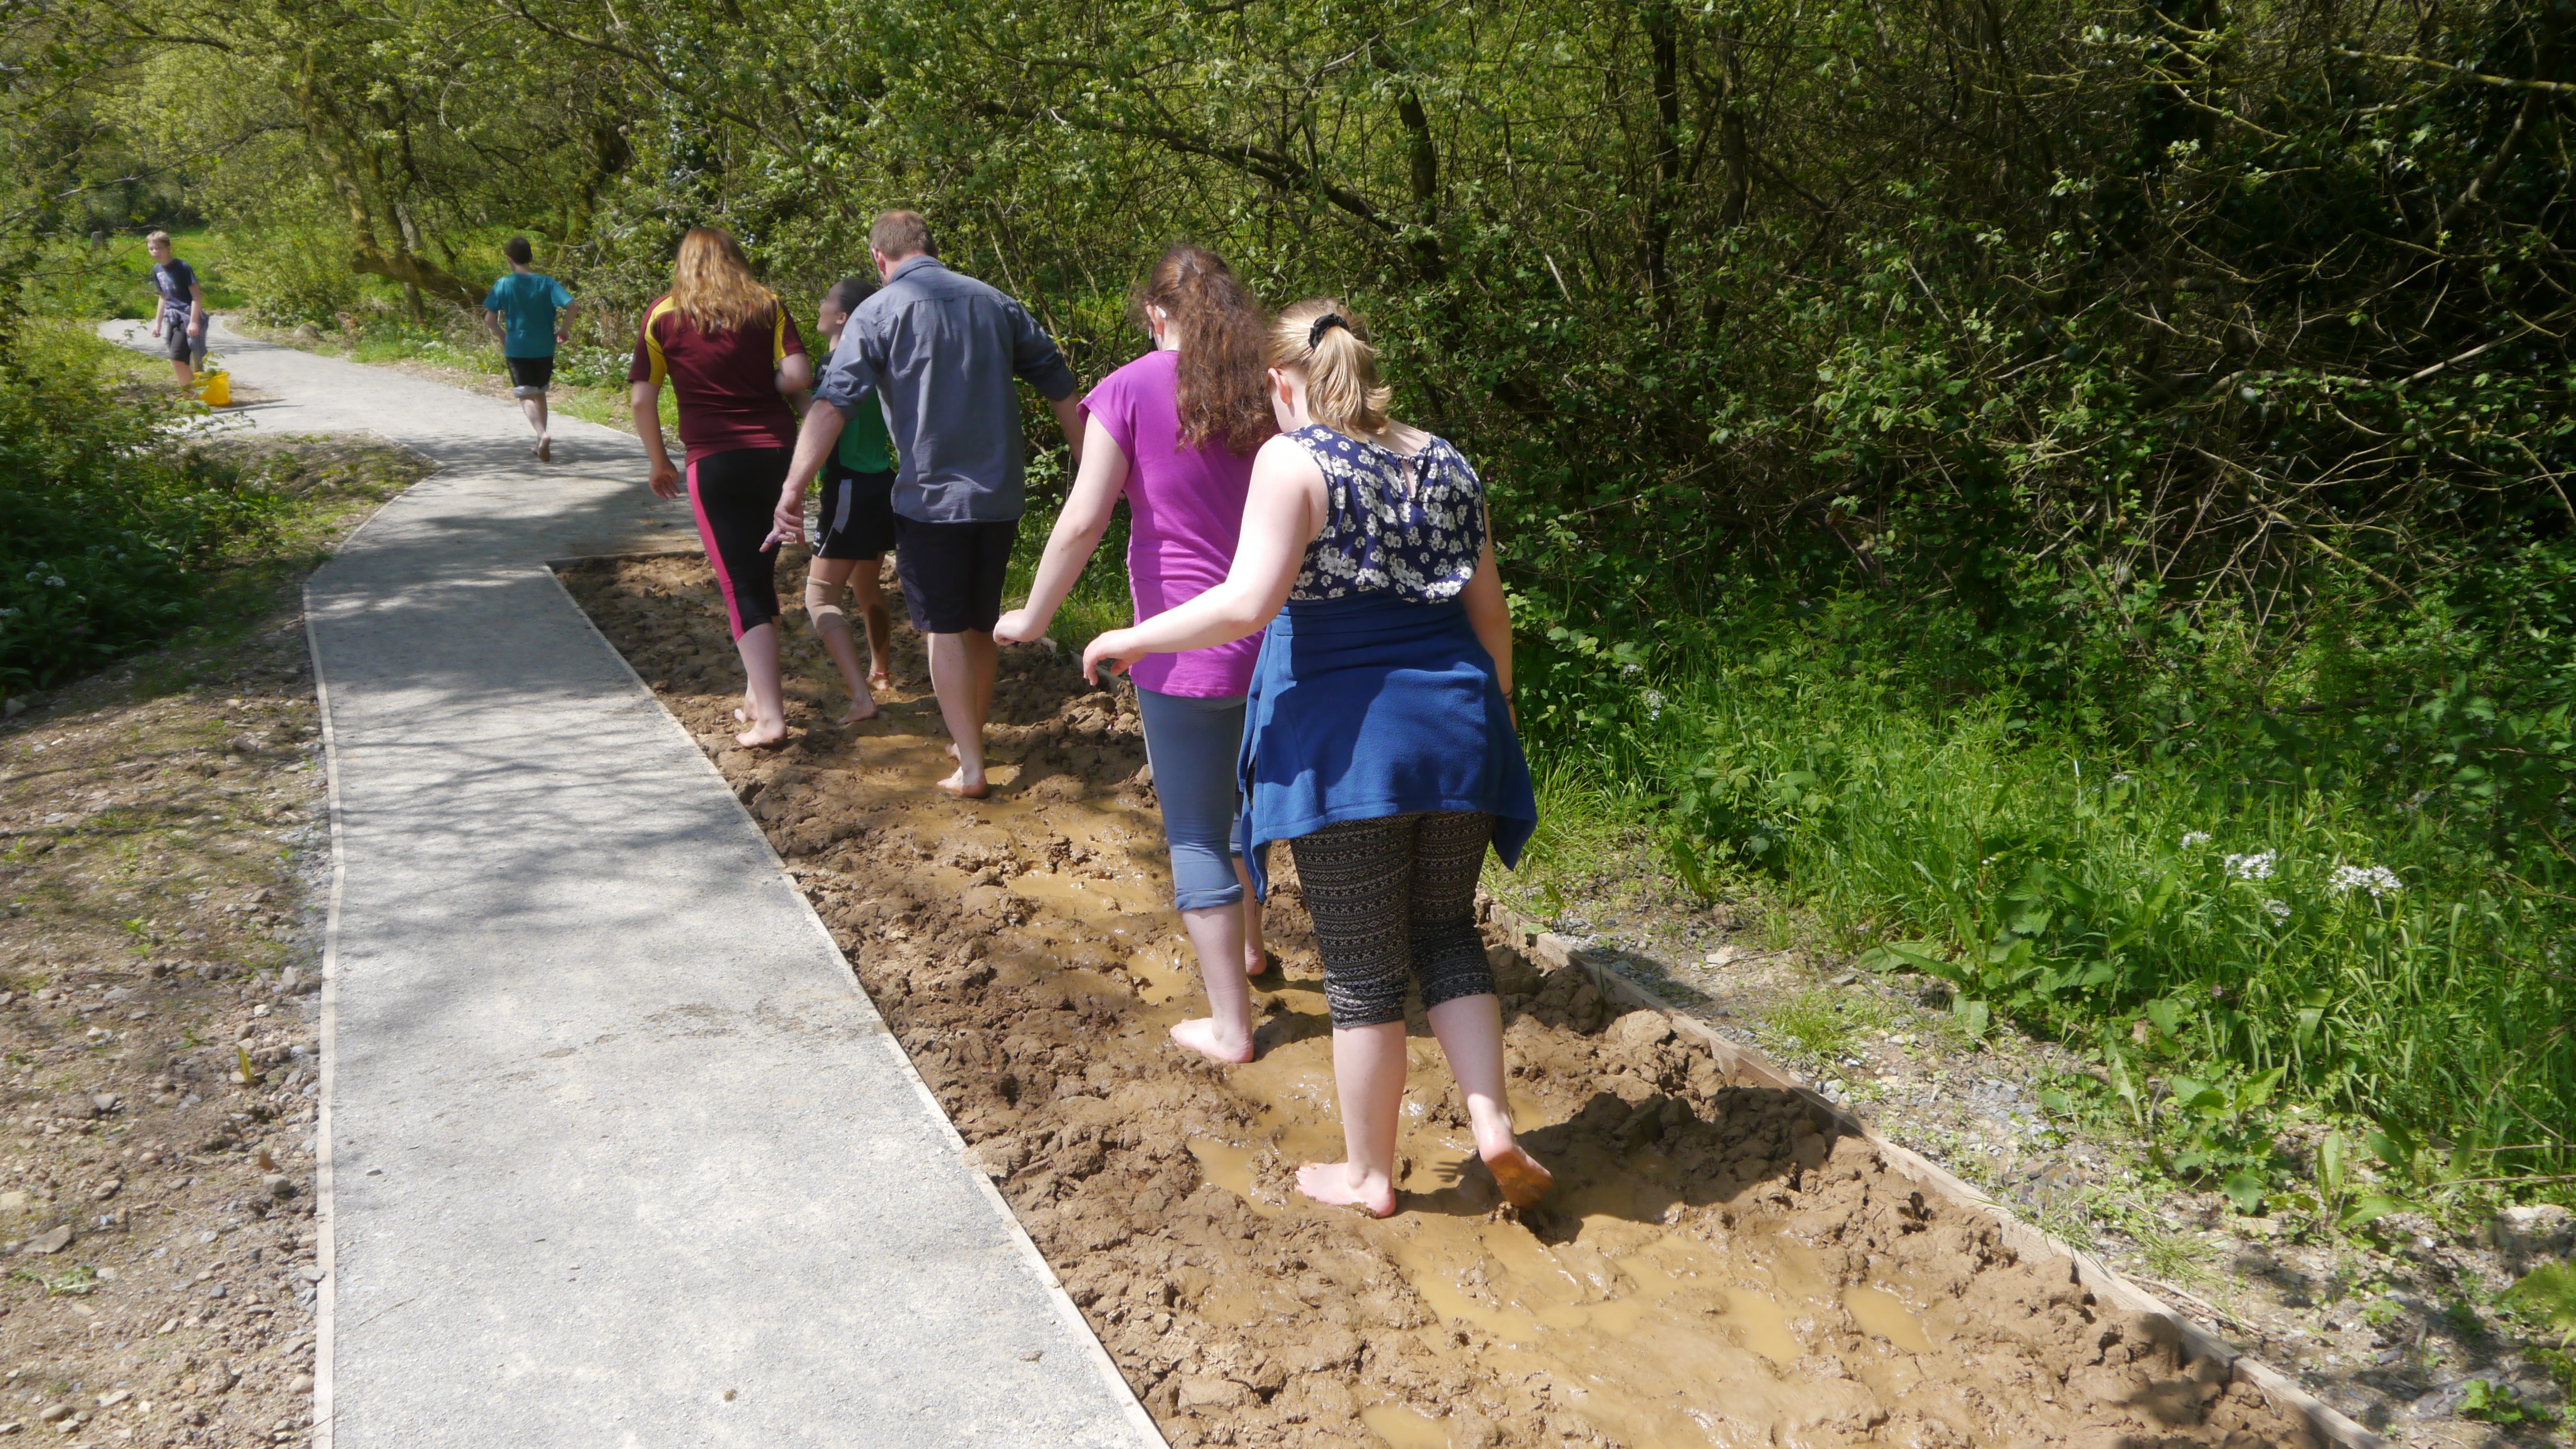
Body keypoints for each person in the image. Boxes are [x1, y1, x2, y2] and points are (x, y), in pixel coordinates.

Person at [1079, 299, 1551, 1218]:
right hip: (1459, 733)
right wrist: (1488, 724)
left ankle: (1368, 1175)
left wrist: (1133, 636)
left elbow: (1244, 603)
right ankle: (1490, 1124)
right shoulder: (1447, 458)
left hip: (1348, 747)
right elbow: (1491, 621)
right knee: (1447, 934)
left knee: (1364, 969)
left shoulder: (1294, 459)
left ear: (1279, 381)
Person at [994, 244, 1274, 1064]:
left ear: (1156, 314)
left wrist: (1035, 614)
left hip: (1182, 649)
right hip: (1276, 640)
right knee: (1245, 811)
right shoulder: (1269, 386)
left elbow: (1084, 521)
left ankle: (1230, 1026)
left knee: (1194, 828)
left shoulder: (1125, 389)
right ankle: (1252, 950)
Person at [774, 210, 1083, 798]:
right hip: (999, 497)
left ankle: (970, 765)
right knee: (980, 623)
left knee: (943, 628)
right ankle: (973, 738)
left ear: (878, 259)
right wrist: (1089, 463)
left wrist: (793, 488)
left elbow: (833, 403)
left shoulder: (879, 311)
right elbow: (1057, 380)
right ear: (931, 247)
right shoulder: (995, 302)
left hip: (931, 501)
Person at [628, 227, 815, 748]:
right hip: (778, 455)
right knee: (759, 573)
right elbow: (798, 374)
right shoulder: (765, 304)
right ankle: (757, 696)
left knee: (739, 585)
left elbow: (644, 400)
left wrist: (658, 461)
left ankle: (772, 718)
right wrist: (761, 385)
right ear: (736, 258)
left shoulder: (663, 314)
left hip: (714, 461)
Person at [801, 278, 901, 722]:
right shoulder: (879, 359)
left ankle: (862, 699)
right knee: (866, 587)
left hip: (848, 489)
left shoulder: (836, 363)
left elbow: (826, 423)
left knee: (820, 596)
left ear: (843, 317)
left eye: (826, 300)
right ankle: (881, 670)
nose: (819, 306)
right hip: (880, 483)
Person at [481, 236, 577, 462]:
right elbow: (572, 305)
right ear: (531, 258)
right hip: (545, 347)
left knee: (526, 395)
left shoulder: (504, 284)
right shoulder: (546, 282)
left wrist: (504, 337)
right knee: (540, 391)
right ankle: (539, 441)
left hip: (518, 348)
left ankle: (542, 434)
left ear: (509, 259)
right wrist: (563, 330)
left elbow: (489, 319)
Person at [144, 231, 207, 386]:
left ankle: (193, 398)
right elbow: (163, 297)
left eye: (158, 248)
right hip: (171, 318)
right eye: (151, 249)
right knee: (179, 361)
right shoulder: (157, 270)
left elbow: (196, 296)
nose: (154, 252)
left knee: (177, 358)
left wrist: (193, 322)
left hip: (186, 317)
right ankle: (189, 398)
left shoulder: (182, 267)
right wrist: (157, 323)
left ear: (168, 248)